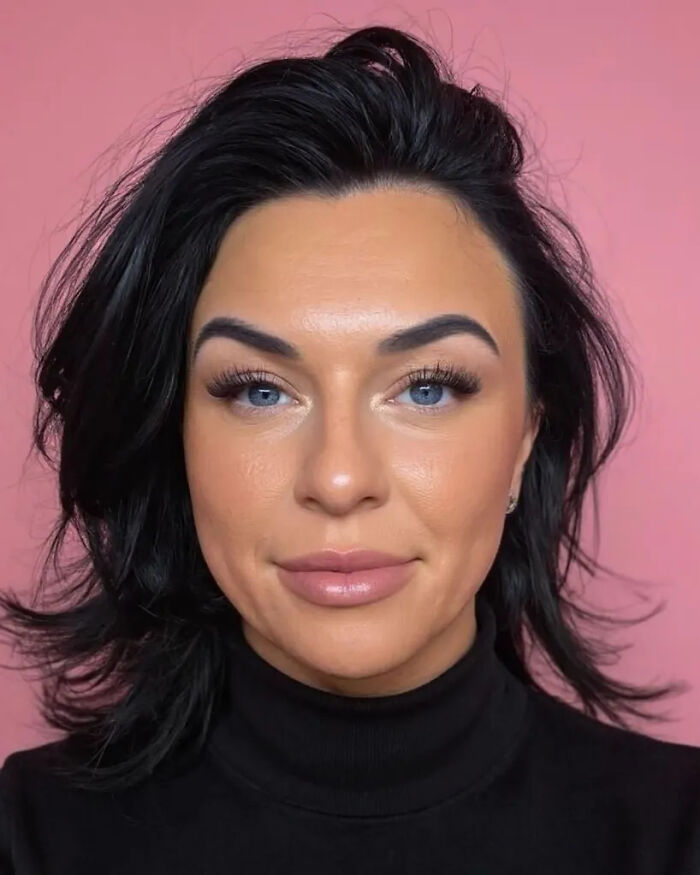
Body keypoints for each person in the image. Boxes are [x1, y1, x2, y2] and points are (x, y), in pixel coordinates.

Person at [0, 23, 698, 874]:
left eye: (429, 386)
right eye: (258, 389)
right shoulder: (30, 835)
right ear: (175, 430)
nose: (338, 477)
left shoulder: (675, 831)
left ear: (525, 437)